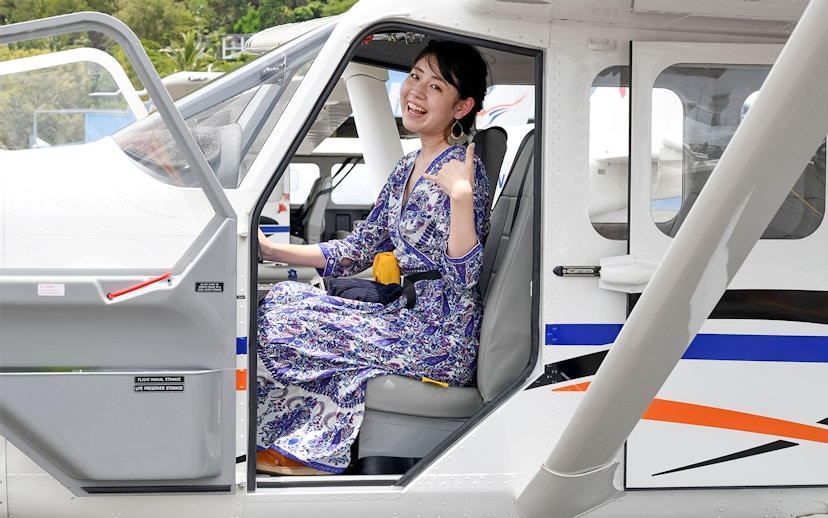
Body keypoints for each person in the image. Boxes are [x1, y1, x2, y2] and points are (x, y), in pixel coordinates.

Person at [255, 40, 490, 475]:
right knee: (285, 298)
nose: (415, 92)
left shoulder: (464, 170)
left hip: (440, 337)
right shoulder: (407, 166)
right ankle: (305, 445)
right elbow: (359, 249)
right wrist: (270, 249)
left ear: (462, 107)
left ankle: (307, 447)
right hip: (404, 318)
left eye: (435, 87)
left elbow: (465, 276)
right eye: (415, 76)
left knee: (285, 319)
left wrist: (460, 197)